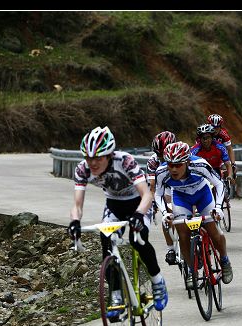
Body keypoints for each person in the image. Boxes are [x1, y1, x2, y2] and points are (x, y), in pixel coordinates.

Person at [68, 126, 168, 310]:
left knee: (138, 239)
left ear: (109, 156)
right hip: (114, 205)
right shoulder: (83, 169)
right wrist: (75, 222)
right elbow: (77, 204)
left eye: (98, 158)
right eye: (89, 158)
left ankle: (157, 280)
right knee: (107, 243)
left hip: (138, 203)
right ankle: (116, 294)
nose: (93, 163)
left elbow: (146, 194)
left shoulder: (125, 161)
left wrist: (139, 214)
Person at [154, 141, 233, 288]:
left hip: (202, 194)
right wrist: (165, 213)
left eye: (178, 165)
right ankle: (192, 271)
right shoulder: (161, 172)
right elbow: (158, 194)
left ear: (187, 162)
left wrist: (218, 208)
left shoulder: (200, 165)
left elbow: (218, 184)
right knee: (183, 234)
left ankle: (224, 260)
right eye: (170, 164)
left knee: (213, 231)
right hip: (181, 197)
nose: (174, 169)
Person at [146, 131, 180, 265]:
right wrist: (153, 204)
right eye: (158, 154)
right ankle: (171, 249)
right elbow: (152, 186)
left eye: (163, 154)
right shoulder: (153, 162)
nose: (161, 158)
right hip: (165, 186)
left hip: (182, 183)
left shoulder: (182, 153)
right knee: (167, 216)